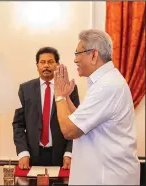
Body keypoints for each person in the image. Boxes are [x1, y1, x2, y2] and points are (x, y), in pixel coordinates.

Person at [54, 29, 140, 185]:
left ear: (93, 55)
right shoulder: (104, 81)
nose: (75, 60)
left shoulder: (106, 85)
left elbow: (69, 130)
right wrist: (66, 97)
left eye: (77, 53)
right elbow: (80, 120)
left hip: (107, 178)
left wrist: (59, 96)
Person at [12, 47, 80, 170]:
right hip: (32, 155)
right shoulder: (25, 89)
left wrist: (69, 153)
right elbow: (18, 125)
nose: (46, 66)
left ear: (57, 65)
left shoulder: (69, 88)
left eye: (50, 62)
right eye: (42, 62)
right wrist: (23, 152)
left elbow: (76, 123)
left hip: (61, 156)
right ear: (37, 65)